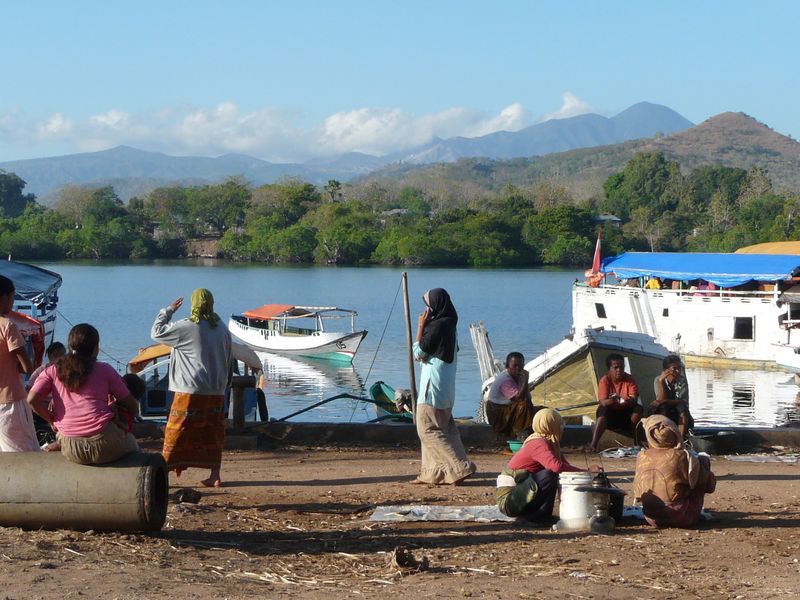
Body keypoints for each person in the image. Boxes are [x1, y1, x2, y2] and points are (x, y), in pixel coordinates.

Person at [27, 323, 140, 464]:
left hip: (69, 445)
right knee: (133, 446)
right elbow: (132, 406)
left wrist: (52, 421)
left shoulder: (53, 370)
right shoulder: (105, 370)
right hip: (104, 442)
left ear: (69, 347)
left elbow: (31, 399)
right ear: (95, 349)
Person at [152, 289, 231, 488]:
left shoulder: (187, 326)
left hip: (189, 389)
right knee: (212, 433)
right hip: (216, 390)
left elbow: (156, 332)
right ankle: (215, 475)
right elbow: (228, 359)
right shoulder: (222, 328)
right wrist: (225, 385)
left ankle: (165, 473)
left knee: (176, 431)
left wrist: (168, 311)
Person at [411, 288, 476, 485]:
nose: (426, 310)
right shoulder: (450, 327)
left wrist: (421, 327)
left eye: (428, 305)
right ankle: (432, 473)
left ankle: (458, 467)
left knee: (426, 429)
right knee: (445, 429)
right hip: (446, 390)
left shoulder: (437, 327)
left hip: (433, 388)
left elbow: (418, 353)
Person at [496, 408, 600, 521]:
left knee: (553, 474)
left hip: (519, 495)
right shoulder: (539, 443)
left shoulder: (549, 442)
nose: (562, 428)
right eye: (559, 425)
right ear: (549, 425)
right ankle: (537, 517)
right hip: (509, 502)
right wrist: (586, 471)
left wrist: (585, 472)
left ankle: (542, 515)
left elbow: (564, 467)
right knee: (549, 475)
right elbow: (557, 467)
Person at [633, 414, 716, 527]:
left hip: (650, 517)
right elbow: (709, 486)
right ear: (675, 434)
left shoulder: (641, 455)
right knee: (702, 462)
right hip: (679, 517)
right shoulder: (682, 456)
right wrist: (703, 465)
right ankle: (693, 513)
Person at [0, 275, 38, 452]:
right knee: (24, 451)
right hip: (11, 400)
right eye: (13, 297)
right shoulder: (8, 326)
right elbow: (27, 367)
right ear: (5, 297)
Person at [589, 353, 643, 452]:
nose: (619, 370)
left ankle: (637, 442)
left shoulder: (630, 379)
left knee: (638, 409)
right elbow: (603, 402)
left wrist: (627, 400)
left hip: (626, 415)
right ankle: (593, 444)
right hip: (611, 417)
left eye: (621, 367)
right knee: (602, 410)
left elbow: (634, 398)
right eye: (616, 367)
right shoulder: (604, 381)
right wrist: (612, 401)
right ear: (609, 369)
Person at [486, 352, 538, 439]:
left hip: (509, 408)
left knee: (542, 411)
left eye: (520, 366)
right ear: (507, 366)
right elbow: (520, 399)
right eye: (515, 366)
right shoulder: (505, 380)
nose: (518, 369)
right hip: (498, 413)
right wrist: (526, 380)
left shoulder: (519, 376)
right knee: (524, 405)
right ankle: (520, 435)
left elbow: (528, 398)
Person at [651, 354, 694, 439]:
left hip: (678, 409)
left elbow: (682, 400)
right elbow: (660, 400)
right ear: (666, 371)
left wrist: (664, 401)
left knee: (682, 409)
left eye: (679, 368)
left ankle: (680, 439)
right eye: (674, 369)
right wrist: (662, 382)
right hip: (665, 408)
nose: (677, 371)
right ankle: (664, 436)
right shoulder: (658, 380)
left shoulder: (682, 381)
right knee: (662, 408)